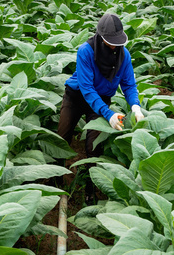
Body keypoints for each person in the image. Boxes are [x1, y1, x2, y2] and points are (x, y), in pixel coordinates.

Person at [58, 12, 145, 159]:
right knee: (62, 138)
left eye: (117, 41)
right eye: (111, 41)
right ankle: (56, 179)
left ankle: (91, 178)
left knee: (95, 146)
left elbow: (129, 85)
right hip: (76, 97)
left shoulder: (124, 55)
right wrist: (109, 114)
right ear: (101, 37)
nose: (114, 45)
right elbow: (87, 88)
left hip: (102, 98)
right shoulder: (85, 51)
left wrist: (135, 107)